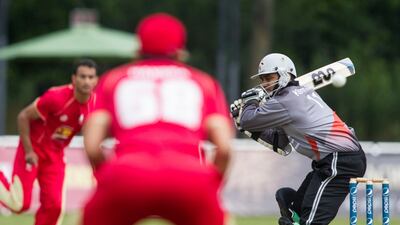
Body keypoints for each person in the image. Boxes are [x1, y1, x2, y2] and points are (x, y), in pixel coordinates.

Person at [82, 13, 233, 225]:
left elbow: (91, 145)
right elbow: (224, 148)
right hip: (189, 175)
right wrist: (209, 185)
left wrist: (106, 177)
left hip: (127, 172)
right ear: (181, 51)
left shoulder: (114, 79)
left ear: (138, 49)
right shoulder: (204, 82)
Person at [231, 53, 366, 225]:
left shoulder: (285, 101)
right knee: (295, 210)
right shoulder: (296, 95)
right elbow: (281, 144)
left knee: (310, 222)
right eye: (263, 80)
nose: (265, 84)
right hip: (332, 161)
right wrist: (244, 124)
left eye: (269, 78)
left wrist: (249, 103)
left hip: (340, 161)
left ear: (285, 74)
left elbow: (249, 119)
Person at [0, 59, 98, 225]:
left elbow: (91, 135)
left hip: (55, 155)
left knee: (54, 207)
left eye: (91, 77)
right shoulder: (56, 97)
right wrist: (29, 151)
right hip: (33, 149)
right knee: (18, 204)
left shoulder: (95, 104)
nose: (87, 81)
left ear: (96, 80)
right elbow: (23, 116)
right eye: (82, 76)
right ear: (74, 79)